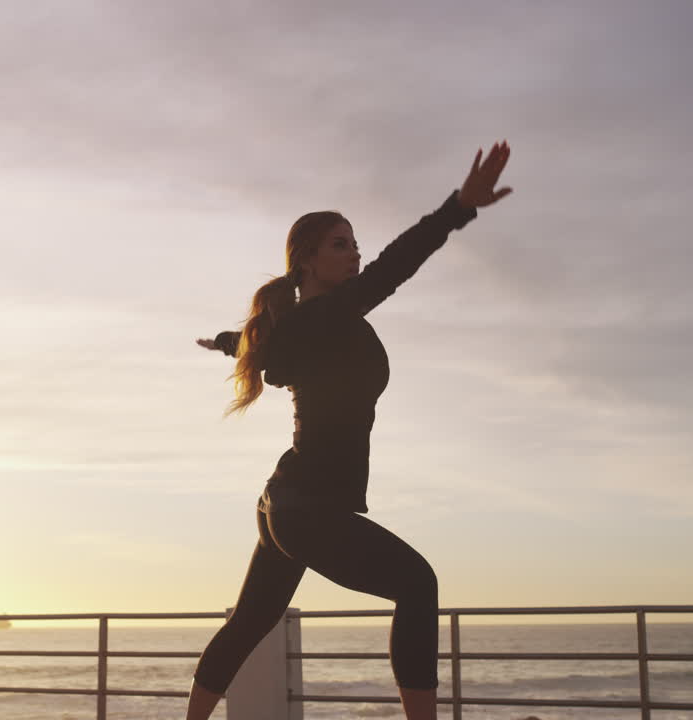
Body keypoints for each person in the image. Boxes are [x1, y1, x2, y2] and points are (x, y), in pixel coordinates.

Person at [186, 141, 513, 720]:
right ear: (308, 259)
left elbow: (253, 347)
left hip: (284, 505)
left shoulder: (297, 325)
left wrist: (220, 342)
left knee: (250, 625)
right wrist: (458, 207)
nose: (356, 254)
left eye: (355, 243)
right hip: (309, 507)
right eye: (342, 245)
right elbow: (397, 264)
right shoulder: (328, 315)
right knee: (417, 585)